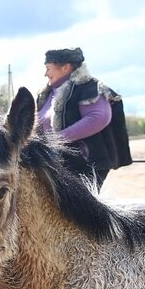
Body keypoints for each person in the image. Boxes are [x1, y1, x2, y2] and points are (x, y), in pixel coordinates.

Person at [36, 47, 128, 191]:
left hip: (85, 163)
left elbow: (98, 117)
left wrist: (57, 139)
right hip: (55, 162)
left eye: (49, 68)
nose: (45, 74)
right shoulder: (46, 93)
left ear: (65, 67)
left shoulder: (88, 88)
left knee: (76, 209)